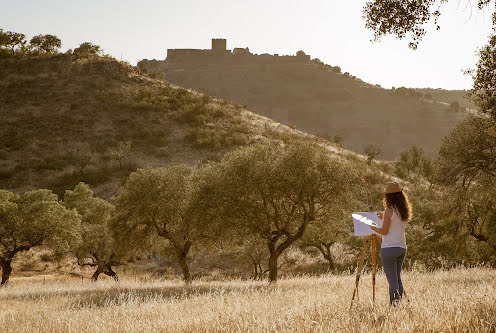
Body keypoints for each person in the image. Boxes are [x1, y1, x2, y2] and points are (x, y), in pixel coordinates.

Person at [369, 182, 412, 306]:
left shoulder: (389, 210)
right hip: (401, 247)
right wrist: (384, 218)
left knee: (392, 280)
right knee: (397, 278)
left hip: (389, 248)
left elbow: (384, 231)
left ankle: (394, 306)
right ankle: (398, 305)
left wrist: (373, 228)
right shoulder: (403, 210)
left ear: (388, 197)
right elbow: (395, 224)